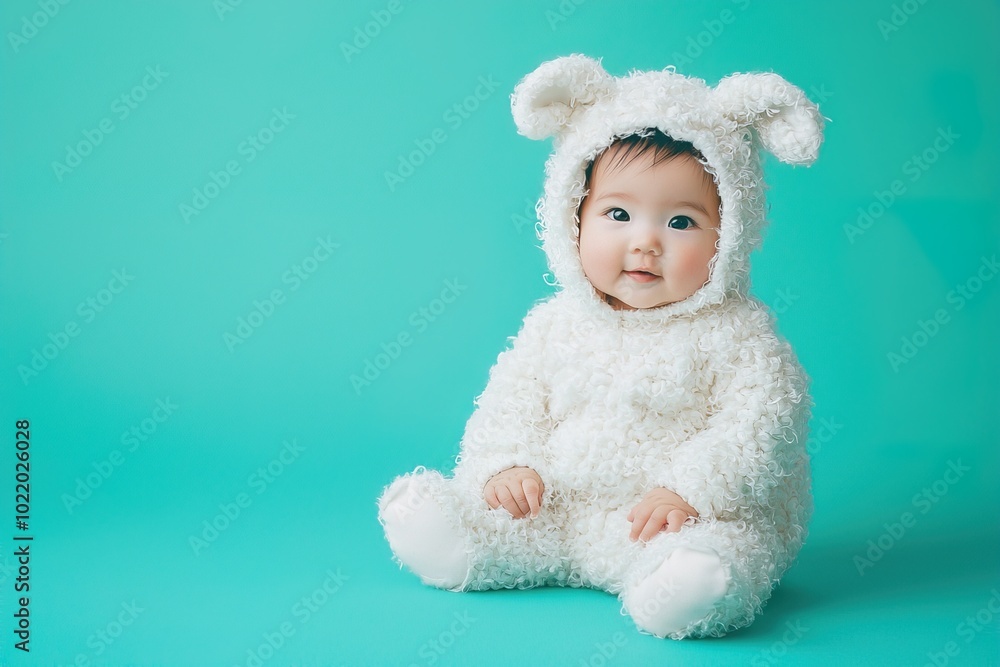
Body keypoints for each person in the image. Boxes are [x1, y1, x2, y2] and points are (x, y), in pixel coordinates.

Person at [376, 54, 824, 639]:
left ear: (732, 232)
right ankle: (462, 542)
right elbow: (510, 403)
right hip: (563, 511)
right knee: (510, 519)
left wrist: (690, 486)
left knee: (716, 550)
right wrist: (506, 464)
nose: (645, 243)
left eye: (681, 223)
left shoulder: (741, 336)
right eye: (618, 213)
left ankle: (689, 587)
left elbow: (762, 425)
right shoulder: (554, 324)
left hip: (673, 518)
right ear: (574, 217)